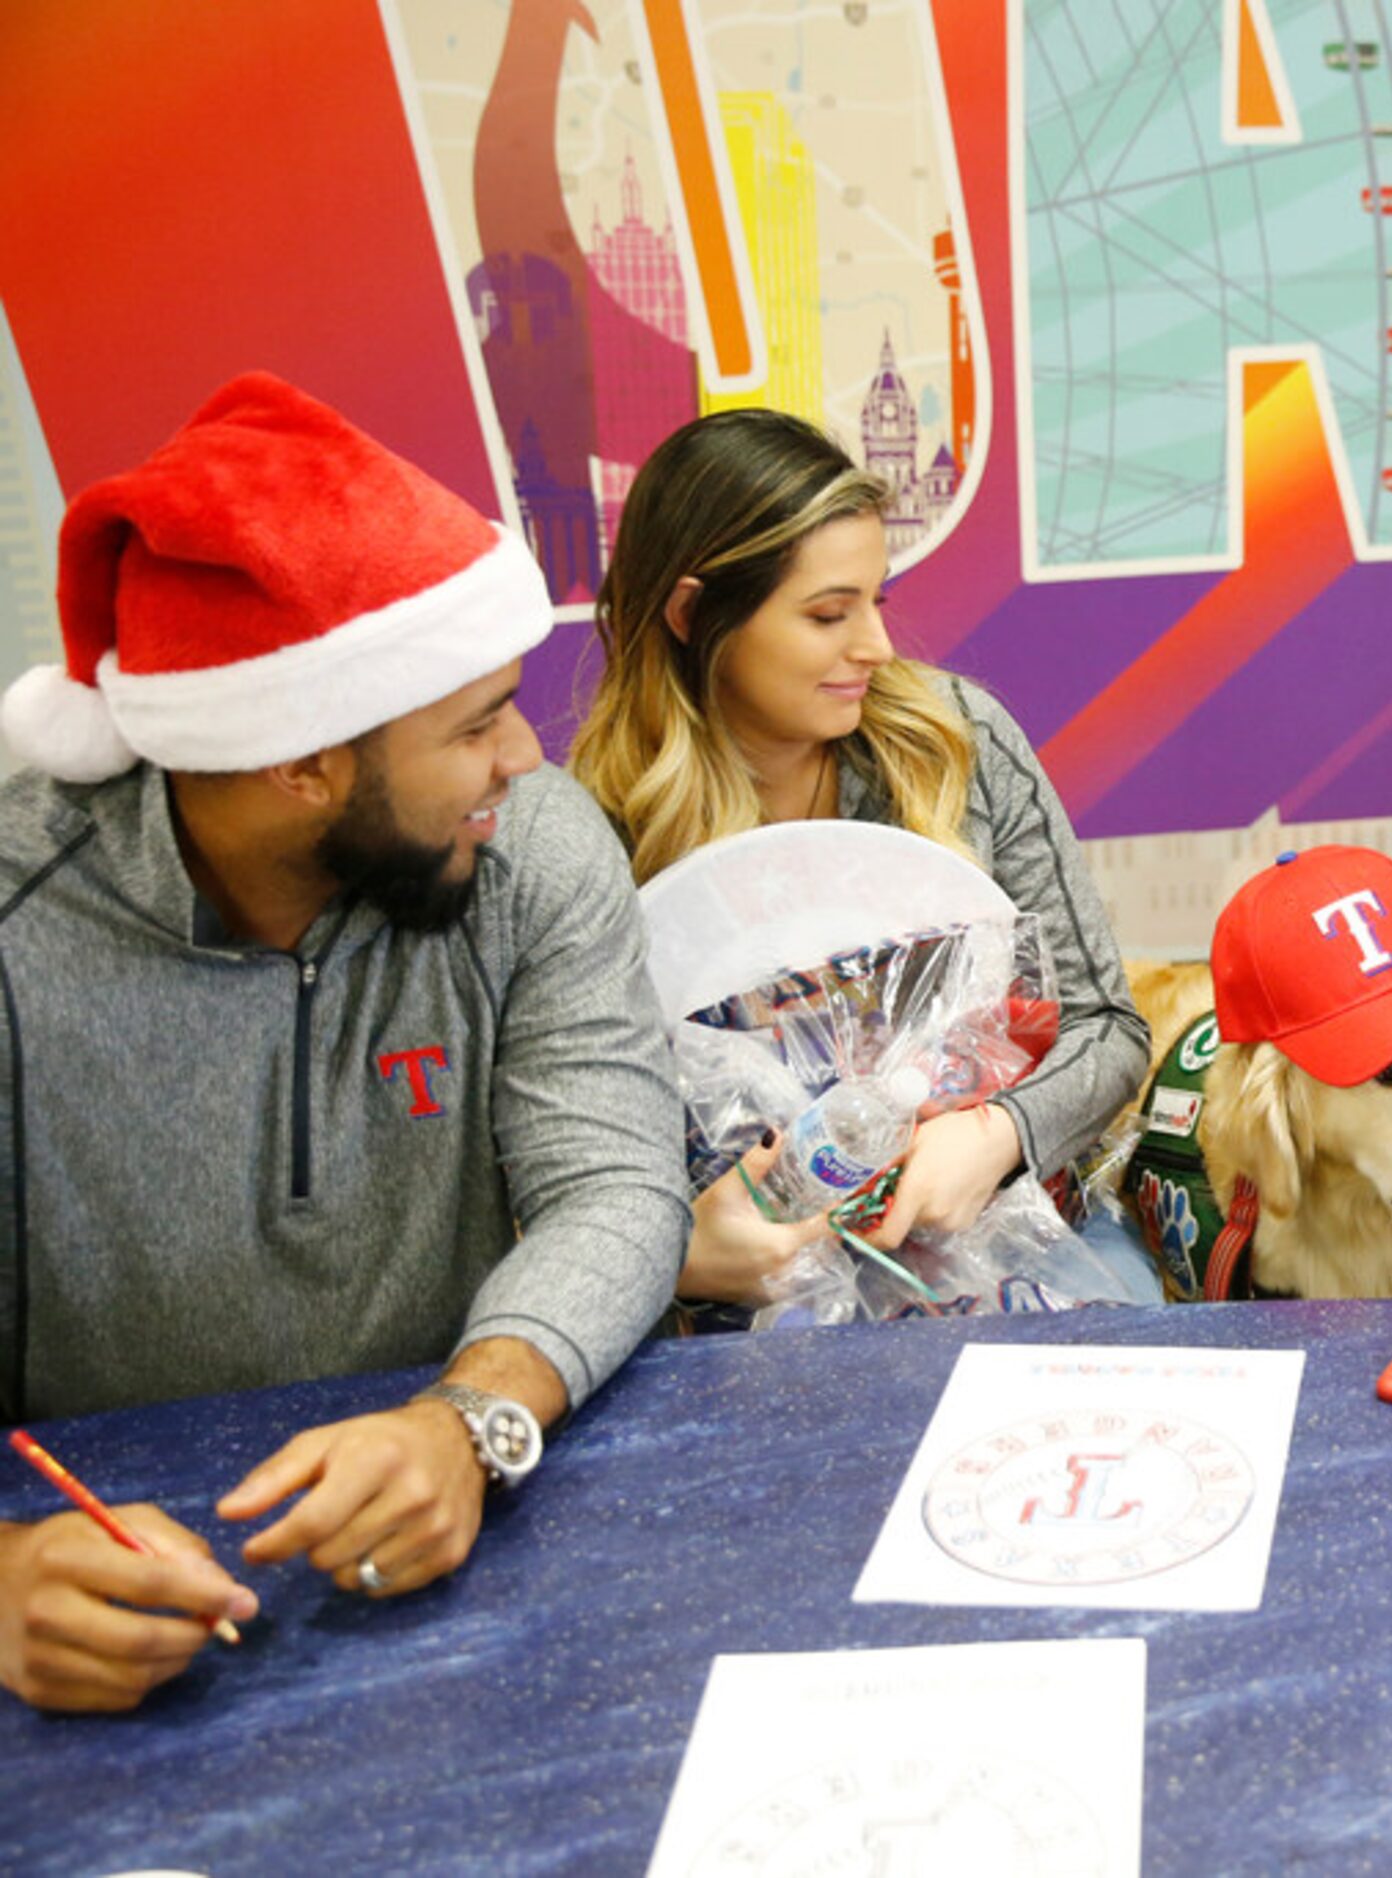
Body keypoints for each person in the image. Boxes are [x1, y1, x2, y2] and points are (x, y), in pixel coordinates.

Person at [0, 373, 690, 1711]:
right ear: (299, 762)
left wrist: (474, 1418)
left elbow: (613, 1183)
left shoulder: (533, 853)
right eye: (474, 721)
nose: (523, 761)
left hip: (474, 1541)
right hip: (118, 1608)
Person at [570, 409, 1158, 1309]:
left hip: (1027, 1248)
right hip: (759, 1317)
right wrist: (681, 1249)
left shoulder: (956, 744)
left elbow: (1107, 1029)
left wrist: (996, 1137)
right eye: (826, 614)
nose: (877, 648)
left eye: (876, 600)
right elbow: (575, 1163)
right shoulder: (597, 839)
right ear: (692, 614)